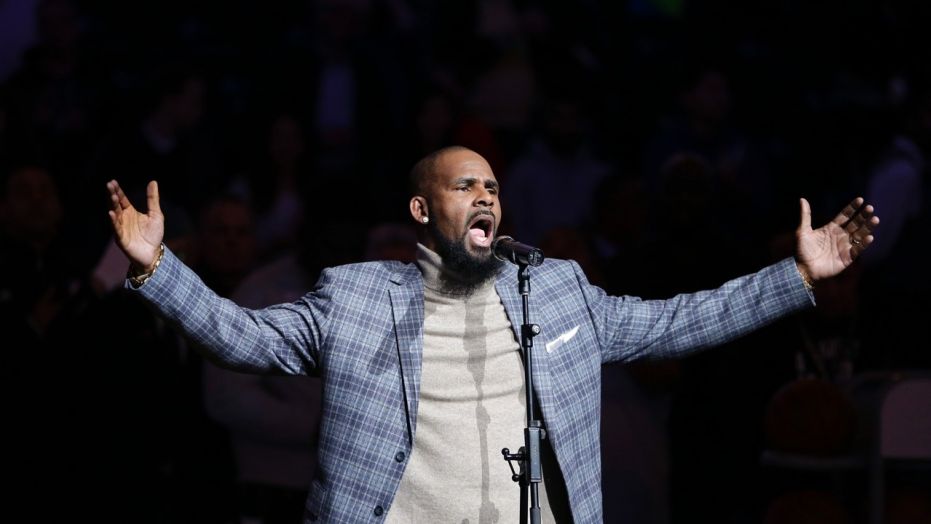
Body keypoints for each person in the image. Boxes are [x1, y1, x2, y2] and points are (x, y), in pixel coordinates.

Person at [105, 146, 878, 523]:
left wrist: (797, 276)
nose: (485, 194)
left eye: (494, 186)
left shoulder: (559, 291)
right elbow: (242, 341)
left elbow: (681, 319)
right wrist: (157, 266)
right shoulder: (356, 297)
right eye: (464, 183)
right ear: (420, 211)